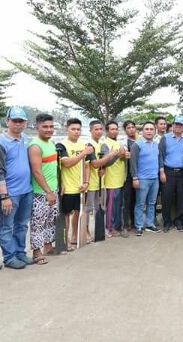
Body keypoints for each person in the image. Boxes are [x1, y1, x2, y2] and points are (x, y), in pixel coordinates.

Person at [0, 107, 34, 269]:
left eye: (21, 121)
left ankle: (20, 252)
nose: (18, 124)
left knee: (22, 224)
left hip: (26, 191)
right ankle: (9, 257)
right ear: (7, 121)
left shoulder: (25, 139)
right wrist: (4, 196)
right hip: (10, 193)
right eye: (14, 121)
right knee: (7, 225)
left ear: (25, 123)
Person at [27, 113, 60, 264]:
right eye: (45, 127)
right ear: (37, 127)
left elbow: (54, 167)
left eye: (51, 126)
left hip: (53, 189)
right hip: (41, 192)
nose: (49, 129)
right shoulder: (35, 146)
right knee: (38, 223)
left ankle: (48, 246)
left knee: (50, 220)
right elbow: (37, 171)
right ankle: (36, 252)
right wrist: (48, 192)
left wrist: (58, 187)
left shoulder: (51, 143)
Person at [57, 118, 94, 249]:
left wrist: (86, 182)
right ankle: (65, 240)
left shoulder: (84, 145)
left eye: (78, 129)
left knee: (78, 212)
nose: (76, 132)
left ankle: (74, 236)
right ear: (67, 129)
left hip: (80, 187)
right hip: (67, 188)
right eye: (73, 129)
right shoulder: (61, 145)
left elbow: (87, 167)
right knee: (66, 215)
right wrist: (84, 153)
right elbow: (67, 163)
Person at [88, 120, 119, 239]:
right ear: (90, 130)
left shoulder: (100, 144)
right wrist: (111, 155)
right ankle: (85, 232)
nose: (99, 131)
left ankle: (99, 230)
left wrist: (103, 168)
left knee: (99, 208)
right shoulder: (89, 144)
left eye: (100, 129)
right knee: (88, 209)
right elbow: (95, 164)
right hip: (90, 183)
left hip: (100, 182)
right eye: (96, 129)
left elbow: (101, 164)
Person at [159, 115, 183, 232]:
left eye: (181, 125)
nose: (178, 126)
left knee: (182, 198)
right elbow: (160, 156)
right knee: (166, 198)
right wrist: (162, 171)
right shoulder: (165, 138)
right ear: (172, 125)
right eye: (176, 124)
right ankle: (167, 222)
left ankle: (178, 221)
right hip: (168, 172)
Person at [130, 121, 162, 236]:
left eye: (151, 129)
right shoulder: (137, 145)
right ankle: (139, 226)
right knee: (140, 203)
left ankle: (150, 224)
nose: (149, 131)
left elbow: (159, 159)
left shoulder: (156, 144)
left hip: (154, 178)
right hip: (142, 179)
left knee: (152, 203)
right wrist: (135, 178)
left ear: (155, 131)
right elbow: (132, 163)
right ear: (142, 131)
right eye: (147, 129)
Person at [100, 121, 128, 237]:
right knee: (111, 206)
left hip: (121, 179)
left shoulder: (119, 143)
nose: (115, 131)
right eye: (112, 129)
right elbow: (106, 162)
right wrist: (117, 154)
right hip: (111, 180)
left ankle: (117, 226)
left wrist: (123, 156)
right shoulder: (105, 144)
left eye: (116, 129)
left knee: (119, 205)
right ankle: (109, 228)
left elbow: (122, 160)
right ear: (107, 131)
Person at [122, 120, 137, 231]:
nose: (131, 129)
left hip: (138, 174)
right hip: (127, 175)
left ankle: (134, 222)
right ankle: (125, 224)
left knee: (136, 200)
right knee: (127, 200)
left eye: (133, 127)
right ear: (125, 130)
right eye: (128, 127)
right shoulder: (123, 142)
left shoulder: (140, 141)